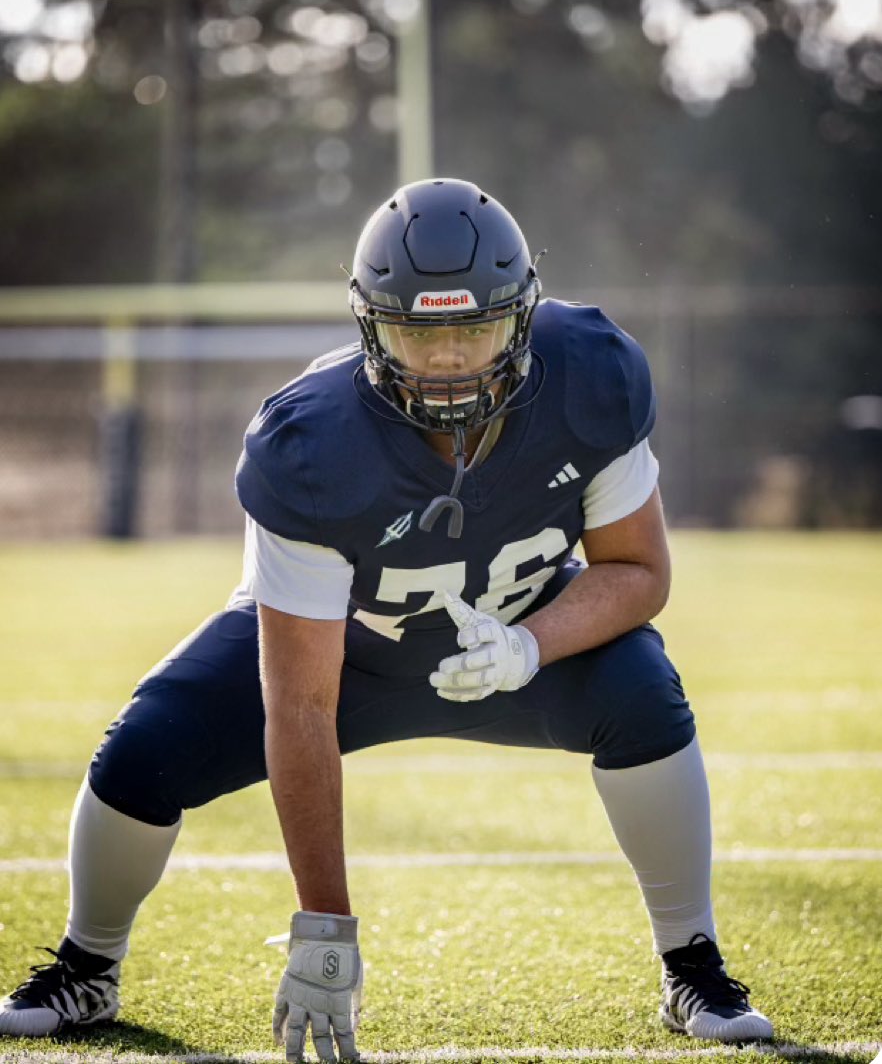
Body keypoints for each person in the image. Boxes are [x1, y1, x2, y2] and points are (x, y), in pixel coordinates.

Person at [0, 178, 772, 1059]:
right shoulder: (313, 444)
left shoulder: (592, 376)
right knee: (145, 749)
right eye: (419, 333)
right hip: (350, 659)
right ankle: (87, 967)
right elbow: (299, 707)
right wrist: (325, 930)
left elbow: (638, 572)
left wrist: (529, 645)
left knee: (642, 691)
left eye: (475, 329)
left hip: (515, 643)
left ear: (522, 317)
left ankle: (692, 962)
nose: (450, 362)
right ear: (370, 326)